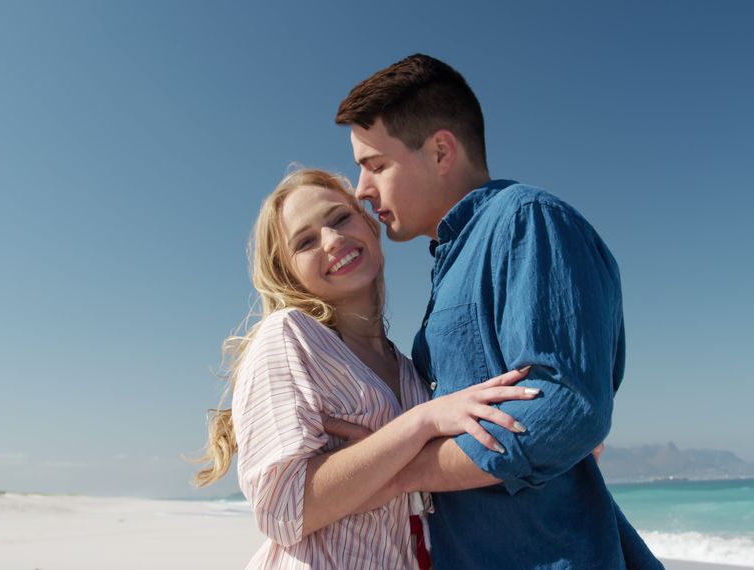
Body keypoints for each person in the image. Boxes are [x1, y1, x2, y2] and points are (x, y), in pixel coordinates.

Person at [334, 54, 664, 569]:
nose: (361, 189)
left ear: (442, 150)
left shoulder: (528, 221)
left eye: (376, 165)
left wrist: (404, 470)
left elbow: (565, 407)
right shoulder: (452, 260)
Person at [194, 168, 538, 569]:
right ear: (287, 271)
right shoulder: (290, 337)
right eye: (305, 241)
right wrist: (419, 426)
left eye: (341, 218)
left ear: (370, 225)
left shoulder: (411, 370)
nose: (333, 240)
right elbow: (281, 511)